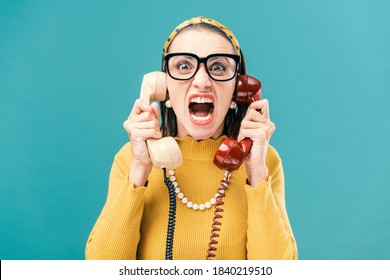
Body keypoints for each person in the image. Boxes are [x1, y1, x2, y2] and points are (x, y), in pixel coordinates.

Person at [85, 16, 298, 260]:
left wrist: (257, 172)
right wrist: (140, 169)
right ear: (163, 86)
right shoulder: (130, 160)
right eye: (184, 66)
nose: (202, 82)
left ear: (238, 90)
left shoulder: (264, 162)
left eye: (218, 67)